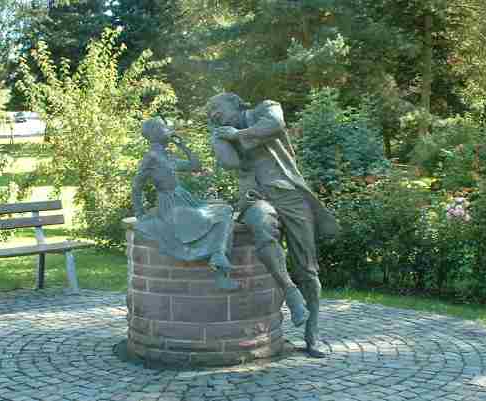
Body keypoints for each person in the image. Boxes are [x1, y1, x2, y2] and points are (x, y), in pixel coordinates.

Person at [207, 93, 339, 358]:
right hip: (255, 197)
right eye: (210, 113)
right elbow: (231, 163)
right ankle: (290, 291)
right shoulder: (224, 133)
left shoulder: (265, 109)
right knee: (262, 227)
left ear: (236, 103)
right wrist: (217, 138)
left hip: (291, 196)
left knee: (308, 269)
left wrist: (237, 134)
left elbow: (275, 125)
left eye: (216, 107)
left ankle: (312, 333)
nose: (213, 113)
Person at [131, 117, 239, 290]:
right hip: (172, 205)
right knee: (219, 215)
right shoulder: (151, 157)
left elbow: (195, 166)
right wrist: (139, 213)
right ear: (154, 133)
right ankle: (219, 264)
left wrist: (183, 146)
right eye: (164, 127)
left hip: (184, 200)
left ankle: (218, 255)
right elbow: (137, 185)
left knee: (225, 210)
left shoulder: (166, 156)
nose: (169, 129)